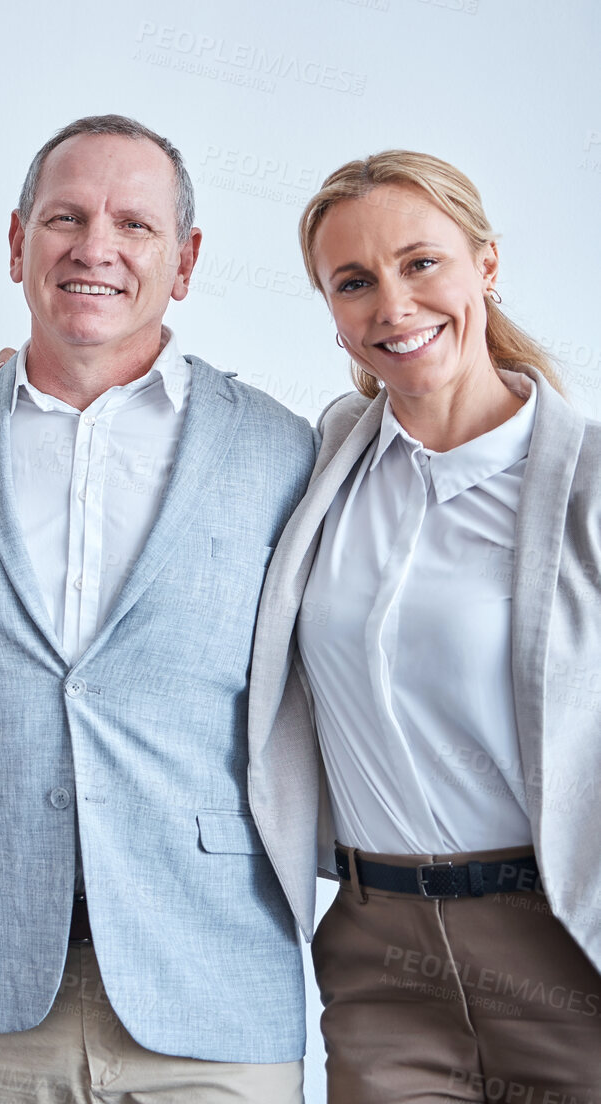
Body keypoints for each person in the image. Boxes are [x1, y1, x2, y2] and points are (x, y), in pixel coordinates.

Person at [0, 115, 314, 1102]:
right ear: (17, 243)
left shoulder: (279, 451)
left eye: (133, 225)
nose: (94, 246)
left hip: (214, 970)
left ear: (182, 262)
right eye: (66, 217)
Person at [248, 150, 601, 1100]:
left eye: (422, 264)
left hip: (564, 946)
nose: (393, 307)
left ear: (486, 264)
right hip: (377, 958)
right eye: (354, 282)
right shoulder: (321, 466)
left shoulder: (588, 486)